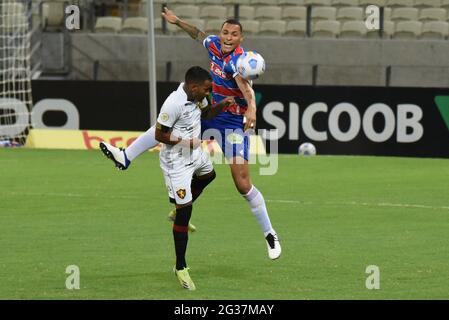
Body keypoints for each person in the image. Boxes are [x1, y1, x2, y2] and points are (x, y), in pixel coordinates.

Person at [100, 9, 281, 260]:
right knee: (165, 129)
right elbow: (199, 34)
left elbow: (247, 89)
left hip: (232, 123)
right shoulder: (215, 45)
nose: (228, 37)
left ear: (241, 38)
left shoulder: (238, 61)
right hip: (209, 112)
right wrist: (177, 22)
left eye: (234, 34)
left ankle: (269, 234)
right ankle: (125, 157)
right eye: (225, 32)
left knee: (242, 183)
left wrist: (251, 109)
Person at [153, 66, 233, 290]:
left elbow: (207, 114)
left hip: (195, 154)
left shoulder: (198, 97)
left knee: (209, 175)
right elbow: (159, 134)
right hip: (176, 162)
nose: (208, 93)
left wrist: (221, 105)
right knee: (185, 212)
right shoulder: (173, 103)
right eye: (206, 90)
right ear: (193, 87)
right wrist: (186, 142)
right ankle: (180, 267)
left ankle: (178, 210)